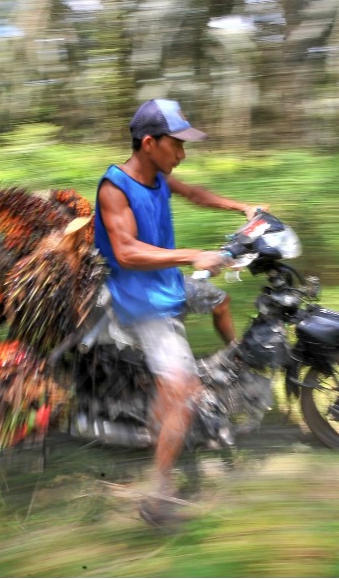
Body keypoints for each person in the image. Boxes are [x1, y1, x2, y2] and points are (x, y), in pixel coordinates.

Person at [93, 99, 267, 526]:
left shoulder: (157, 177)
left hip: (167, 285)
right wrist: (193, 255)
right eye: (177, 145)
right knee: (183, 391)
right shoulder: (115, 187)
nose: (183, 154)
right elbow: (127, 252)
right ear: (150, 143)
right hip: (142, 303)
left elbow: (194, 193)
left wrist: (243, 208)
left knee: (220, 299)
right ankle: (158, 488)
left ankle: (235, 363)